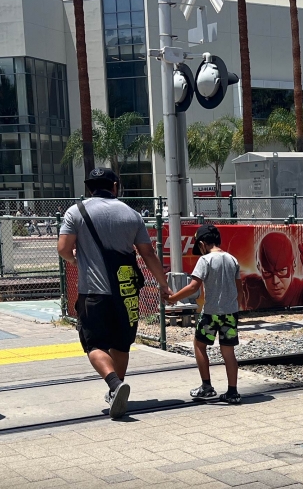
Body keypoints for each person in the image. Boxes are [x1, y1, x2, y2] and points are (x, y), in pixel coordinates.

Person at [58, 168, 171, 419]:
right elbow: (148, 254)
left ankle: (115, 385)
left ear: (90, 188)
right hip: (127, 292)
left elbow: (64, 248)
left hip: (93, 292)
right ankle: (117, 388)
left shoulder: (76, 211)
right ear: (115, 186)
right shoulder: (131, 214)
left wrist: (75, 259)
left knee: (95, 344)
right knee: (121, 344)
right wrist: (163, 284)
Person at [166, 224, 242, 404]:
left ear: (202, 244)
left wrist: (172, 298)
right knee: (228, 352)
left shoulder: (205, 260)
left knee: (199, 345)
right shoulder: (233, 260)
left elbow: (194, 286)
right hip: (230, 313)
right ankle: (233, 392)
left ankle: (206, 386)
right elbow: (239, 288)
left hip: (211, 313)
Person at [241, 231, 303, 310]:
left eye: (282, 271)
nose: (275, 281)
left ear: (293, 266)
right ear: (259, 268)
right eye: (267, 272)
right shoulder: (249, 287)